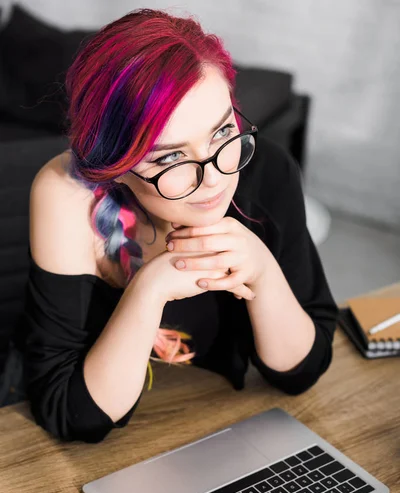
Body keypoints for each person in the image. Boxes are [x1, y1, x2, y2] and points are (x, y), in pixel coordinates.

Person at [21, 8, 339, 443]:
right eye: (170, 157)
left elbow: (302, 371)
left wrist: (264, 271)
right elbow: (68, 414)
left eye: (222, 132)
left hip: (226, 429)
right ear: (115, 166)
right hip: (114, 452)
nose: (214, 179)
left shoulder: (266, 168)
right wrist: (149, 290)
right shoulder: (67, 193)